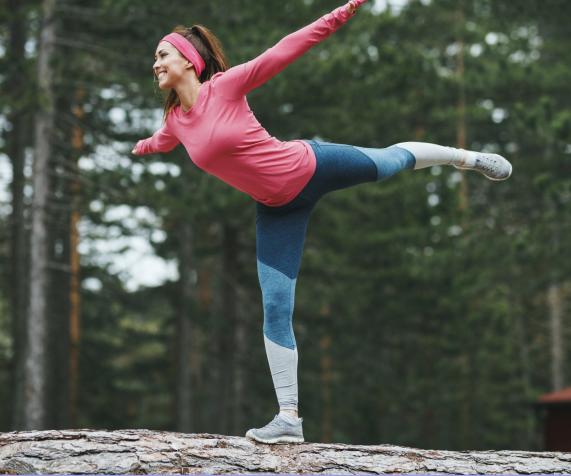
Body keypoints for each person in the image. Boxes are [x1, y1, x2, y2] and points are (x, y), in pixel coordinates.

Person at [132, 0, 512, 444]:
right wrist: (144, 147)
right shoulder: (176, 121)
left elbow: (286, 49)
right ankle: (289, 419)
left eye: (163, 54)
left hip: (310, 164)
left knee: (390, 161)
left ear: (188, 61)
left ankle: (465, 158)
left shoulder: (226, 88)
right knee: (275, 307)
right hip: (277, 210)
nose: (155, 62)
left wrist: (341, 13)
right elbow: (163, 140)